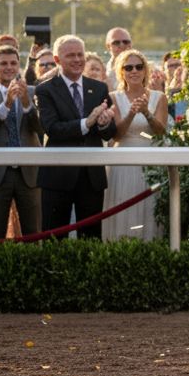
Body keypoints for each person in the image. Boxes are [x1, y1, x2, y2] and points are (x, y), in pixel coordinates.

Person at [34, 35, 118, 240]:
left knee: (91, 239)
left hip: (91, 176)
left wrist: (104, 122)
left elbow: (108, 132)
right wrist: (86, 123)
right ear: (57, 60)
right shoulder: (45, 89)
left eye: (80, 54)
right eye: (70, 55)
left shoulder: (98, 88)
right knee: (54, 239)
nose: (77, 59)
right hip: (58, 176)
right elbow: (51, 129)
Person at [102, 50, 168, 241]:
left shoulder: (159, 97)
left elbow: (161, 131)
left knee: (149, 208)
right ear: (121, 72)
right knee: (122, 206)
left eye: (139, 67)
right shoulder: (113, 97)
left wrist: (146, 112)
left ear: (145, 71)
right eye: (128, 67)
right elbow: (116, 135)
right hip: (122, 162)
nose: (134, 71)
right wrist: (131, 114)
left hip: (151, 161)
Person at [0, 45, 42, 238]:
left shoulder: (32, 91)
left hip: (28, 172)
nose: (9, 67)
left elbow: (40, 128)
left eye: (13, 63)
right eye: (3, 64)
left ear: (19, 65)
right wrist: (7, 103)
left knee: (33, 231)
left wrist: (26, 104)